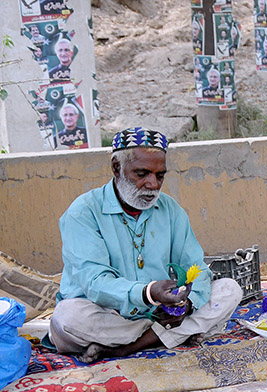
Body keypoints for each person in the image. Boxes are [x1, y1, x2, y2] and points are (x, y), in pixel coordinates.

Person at [49, 127, 243, 362]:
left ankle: (128, 347)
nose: (152, 184)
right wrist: (147, 292)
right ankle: (167, 336)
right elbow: (95, 283)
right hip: (107, 314)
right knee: (68, 317)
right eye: (141, 174)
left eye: (159, 175)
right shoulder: (83, 213)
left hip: (159, 313)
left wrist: (188, 305)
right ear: (116, 168)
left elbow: (196, 266)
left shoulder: (170, 210)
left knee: (230, 290)